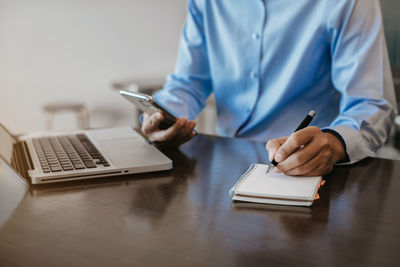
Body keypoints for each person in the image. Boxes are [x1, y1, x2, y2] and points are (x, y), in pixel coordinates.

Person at [141, 0, 397, 176]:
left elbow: (371, 102)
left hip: (312, 172)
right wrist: (162, 117)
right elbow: (189, 82)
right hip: (223, 177)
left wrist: (335, 143)